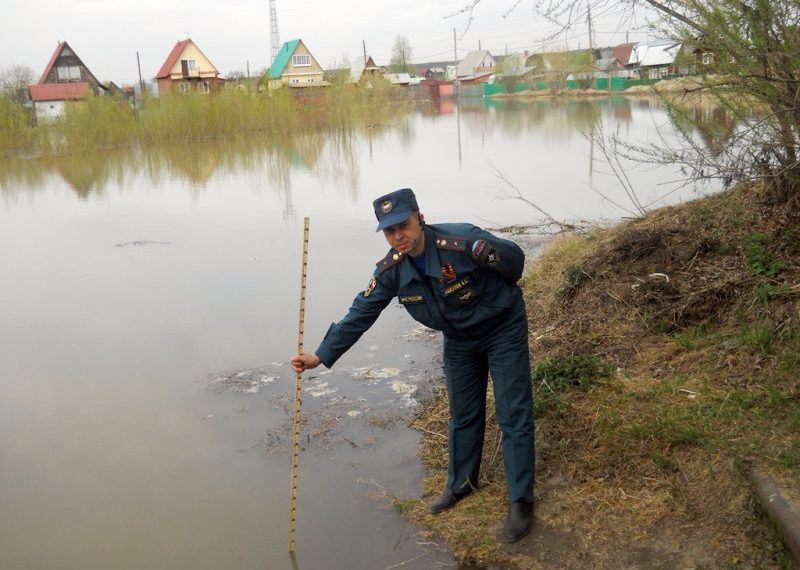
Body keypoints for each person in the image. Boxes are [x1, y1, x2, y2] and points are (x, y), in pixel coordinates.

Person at [291, 188, 535, 543]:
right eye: (389, 231)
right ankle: (461, 484)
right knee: (463, 415)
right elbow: (361, 312)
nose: (397, 236)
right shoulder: (392, 270)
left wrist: (493, 273)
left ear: (420, 218)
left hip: (501, 328)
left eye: (402, 225)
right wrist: (320, 355)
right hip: (459, 339)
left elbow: (514, 264)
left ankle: (520, 500)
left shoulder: (463, 242)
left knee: (512, 412)